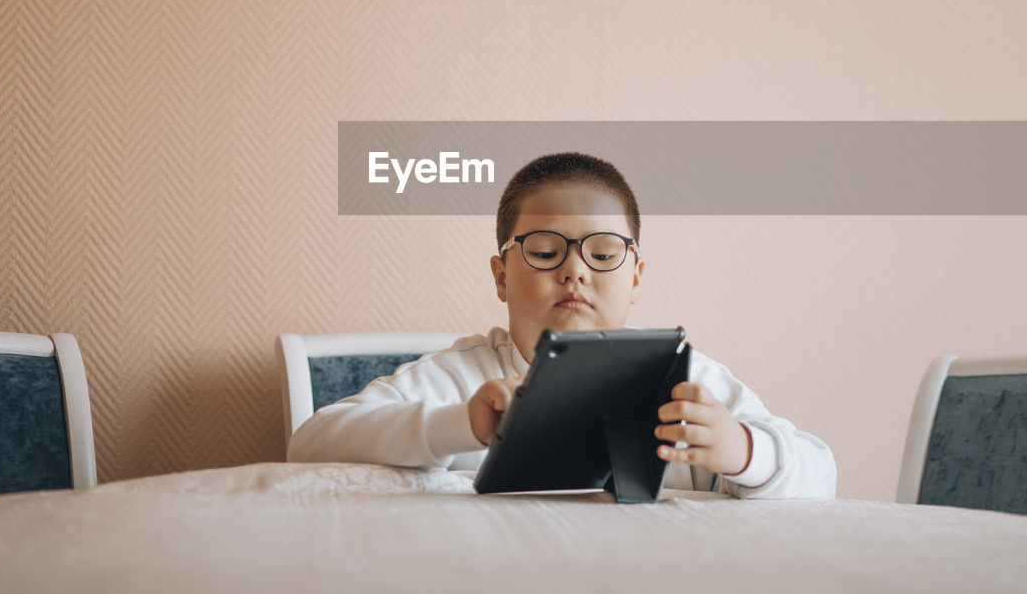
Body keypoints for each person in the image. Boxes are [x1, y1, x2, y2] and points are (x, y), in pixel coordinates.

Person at [287, 152, 837, 498]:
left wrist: (740, 449)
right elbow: (309, 446)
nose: (575, 270)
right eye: (546, 251)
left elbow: (822, 475)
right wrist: (460, 425)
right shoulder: (462, 380)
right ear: (501, 278)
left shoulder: (690, 385)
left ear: (637, 277)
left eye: (603, 254)